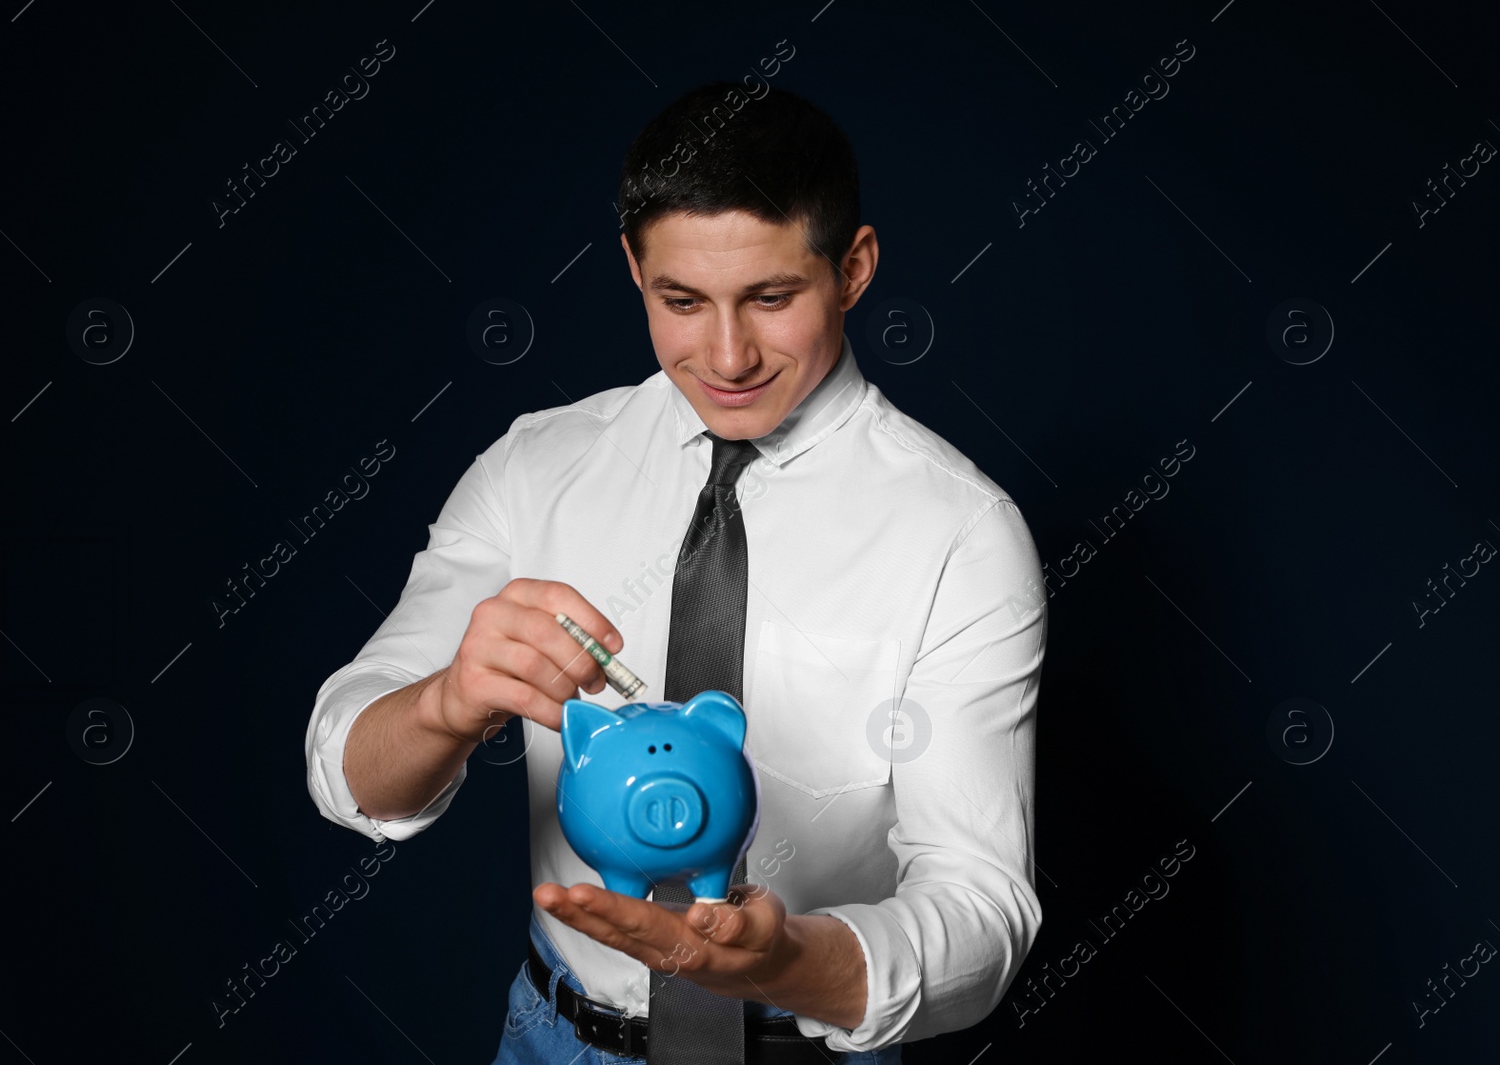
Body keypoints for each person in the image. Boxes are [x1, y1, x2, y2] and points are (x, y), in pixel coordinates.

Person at [304, 81, 1047, 1063]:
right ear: (631, 267)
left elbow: (983, 907)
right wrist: (444, 703)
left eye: (771, 298)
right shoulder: (535, 468)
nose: (728, 353)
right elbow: (344, 769)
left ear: (854, 269)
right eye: (682, 301)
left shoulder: (960, 531)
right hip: (554, 1041)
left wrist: (782, 958)